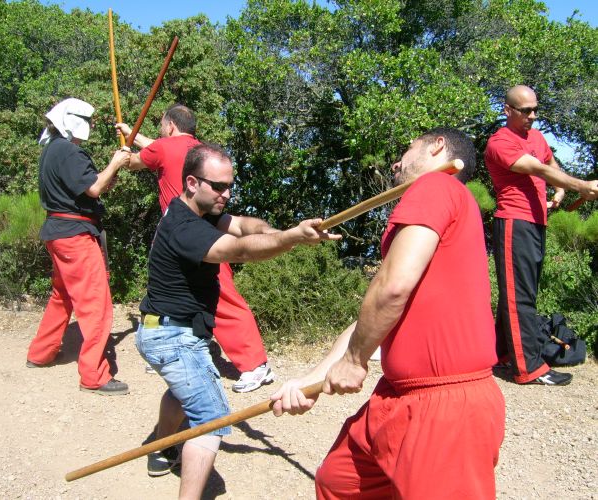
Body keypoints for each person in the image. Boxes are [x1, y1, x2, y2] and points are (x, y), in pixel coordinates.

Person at [271, 128, 506, 499]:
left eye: (407, 150)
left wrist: (354, 360)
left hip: (444, 407)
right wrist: (311, 380)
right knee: (339, 482)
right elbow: (376, 315)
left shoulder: (435, 187)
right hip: (395, 399)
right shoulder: (442, 203)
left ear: (437, 147)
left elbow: (392, 287)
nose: (396, 162)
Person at [135, 143, 340, 498]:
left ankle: (160, 447)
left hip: (166, 330)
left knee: (184, 391)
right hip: (171, 337)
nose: (226, 194)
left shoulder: (197, 209)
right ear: (192, 182)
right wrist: (292, 238)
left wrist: (279, 232)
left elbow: (247, 227)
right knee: (211, 418)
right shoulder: (185, 228)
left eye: (230, 186)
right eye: (218, 186)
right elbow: (239, 250)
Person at [116, 105, 275, 393]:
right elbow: (156, 149)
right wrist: (132, 134)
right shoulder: (198, 151)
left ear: (170, 126)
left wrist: (125, 147)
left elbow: (136, 162)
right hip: (187, 237)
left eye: (162, 126)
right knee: (169, 291)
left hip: (196, 236)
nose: (161, 132)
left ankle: (255, 364)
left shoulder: (164, 147)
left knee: (224, 297)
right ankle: (167, 349)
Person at [484, 85, 598, 386]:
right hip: (514, 222)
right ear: (507, 110)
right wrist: (580, 186)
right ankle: (529, 368)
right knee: (519, 297)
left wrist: (560, 190)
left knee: (521, 293)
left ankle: (501, 353)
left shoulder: (535, 137)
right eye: (525, 111)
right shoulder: (500, 142)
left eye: (535, 109)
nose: (532, 116)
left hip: (536, 222)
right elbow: (536, 167)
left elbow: (548, 162)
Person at [26, 98, 131, 396]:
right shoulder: (69, 151)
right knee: (96, 304)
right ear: (71, 120)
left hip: (58, 233)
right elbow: (94, 188)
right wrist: (115, 163)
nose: (92, 125)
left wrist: (109, 174)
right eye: (89, 121)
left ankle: (41, 353)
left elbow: (89, 188)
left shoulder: (52, 150)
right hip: (74, 235)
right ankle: (94, 376)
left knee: (62, 296)